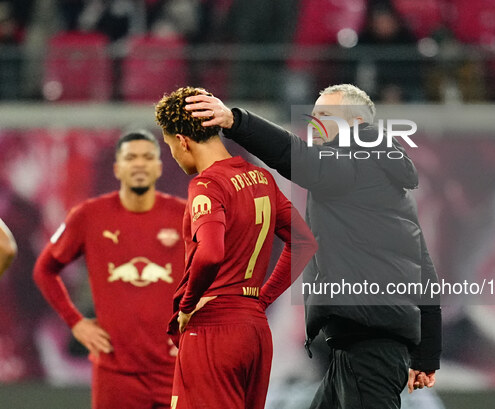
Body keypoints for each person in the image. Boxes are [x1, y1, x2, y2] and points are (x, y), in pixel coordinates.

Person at [184, 83, 442, 409]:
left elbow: (297, 157)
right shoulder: (386, 183)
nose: (313, 123)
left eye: (325, 114)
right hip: (359, 348)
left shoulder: (356, 158)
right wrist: (427, 355)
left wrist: (235, 121)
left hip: (368, 346)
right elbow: (427, 277)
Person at [154, 86, 317, 409]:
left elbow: (210, 253)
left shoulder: (206, 186)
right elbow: (304, 241)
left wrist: (187, 306)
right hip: (255, 329)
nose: (173, 154)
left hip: (214, 325)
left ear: (182, 141)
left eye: (170, 145)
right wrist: (263, 299)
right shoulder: (260, 178)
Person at [33, 130, 186, 409]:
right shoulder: (88, 216)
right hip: (115, 373)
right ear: (117, 167)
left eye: (146, 157)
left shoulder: (185, 216)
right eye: (131, 158)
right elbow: (45, 269)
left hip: (174, 369)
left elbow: (218, 272)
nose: (139, 164)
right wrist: (76, 322)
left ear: (158, 166)